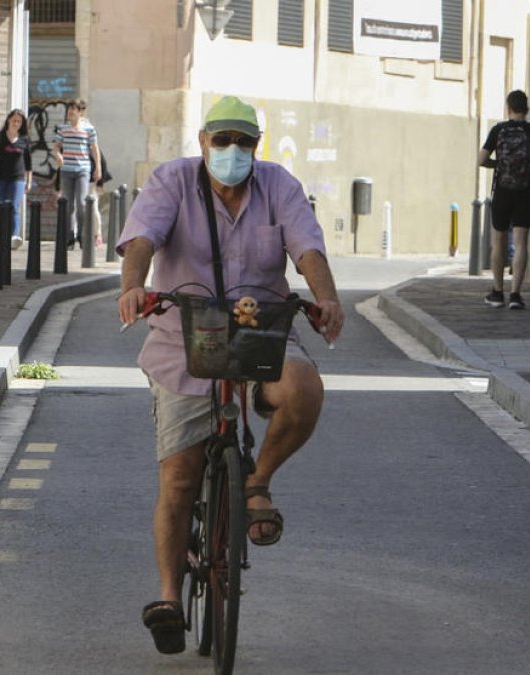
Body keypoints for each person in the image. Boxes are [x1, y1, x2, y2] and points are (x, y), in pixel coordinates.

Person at [115, 96, 345, 655]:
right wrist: (133, 285)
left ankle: (256, 480)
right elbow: (142, 238)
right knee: (178, 478)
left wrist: (326, 299)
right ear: (202, 141)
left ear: (256, 147)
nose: (233, 152)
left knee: (303, 391)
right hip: (183, 338)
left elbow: (307, 246)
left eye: (244, 142)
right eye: (222, 140)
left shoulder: (278, 186)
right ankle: (170, 595)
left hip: (260, 328)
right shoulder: (172, 181)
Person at [477, 89, 530, 310]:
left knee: (498, 240)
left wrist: (497, 165)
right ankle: (516, 295)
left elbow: (480, 160)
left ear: (509, 108)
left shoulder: (498, 130)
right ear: (526, 108)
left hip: (502, 190)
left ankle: (497, 293)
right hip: (524, 191)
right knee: (520, 242)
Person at [0, 109, 33, 250]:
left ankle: (13, 237)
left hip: (18, 178)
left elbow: (28, 163)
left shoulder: (24, 140)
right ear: (8, 120)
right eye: (14, 120)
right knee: (2, 206)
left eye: (19, 122)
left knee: (14, 206)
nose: (16, 123)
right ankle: (2, 236)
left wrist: (29, 181)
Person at [52, 99, 101, 250]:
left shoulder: (89, 129)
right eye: (69, 109)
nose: (70, 112)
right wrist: (58, 155)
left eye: (74, 109)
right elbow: (55, 147)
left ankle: (82, 235)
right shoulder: (62, 128)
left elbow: (94, 148)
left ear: (80, 112)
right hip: (66, 170)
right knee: (68, 205)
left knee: (81, 203)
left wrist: (97, 167)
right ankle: (69, 236)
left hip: (82, 170)